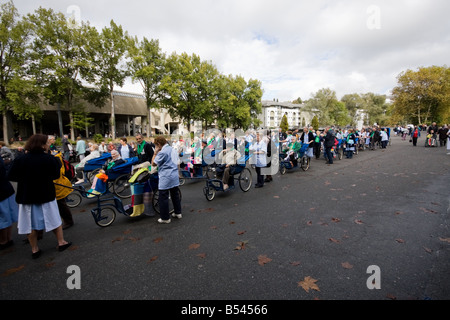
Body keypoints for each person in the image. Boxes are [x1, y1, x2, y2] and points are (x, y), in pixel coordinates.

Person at [7, 134, 72, 259]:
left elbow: (11, 175)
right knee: (53, 219)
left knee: (30, 223)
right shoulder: (49, 159)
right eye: (47, 143)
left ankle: (34, 249)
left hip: (27, 195)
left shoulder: (21, 159)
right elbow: (55, 175)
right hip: (45, 193)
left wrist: (25, 179)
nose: (49, 145)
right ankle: (61, 242)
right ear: (42, 145)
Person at [151, 136, 182, 224]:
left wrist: (155, 153)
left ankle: (165, 218)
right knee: (175, 195)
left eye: (156, 145)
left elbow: (153, 164)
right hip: (174, 174)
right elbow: (178, 163)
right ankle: (178, 212)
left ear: (158, 144)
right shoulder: (173, 150)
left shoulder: (162, 152)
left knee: (163, 197)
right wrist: (178, 173)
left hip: (166, 176)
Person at [53, 151, 75, 229]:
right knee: (61, 204)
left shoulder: (55, 157)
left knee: (61, 204)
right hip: (57, 183)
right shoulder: (56, 156)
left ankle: (68, 221)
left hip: (58, 183)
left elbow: (58, 173)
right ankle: (68, 221)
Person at [0, 157, 18, 250]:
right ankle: (8, 238)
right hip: (6, 189)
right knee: (7, 216)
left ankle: (3, 240)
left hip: (3, 191)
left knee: (3, 217)